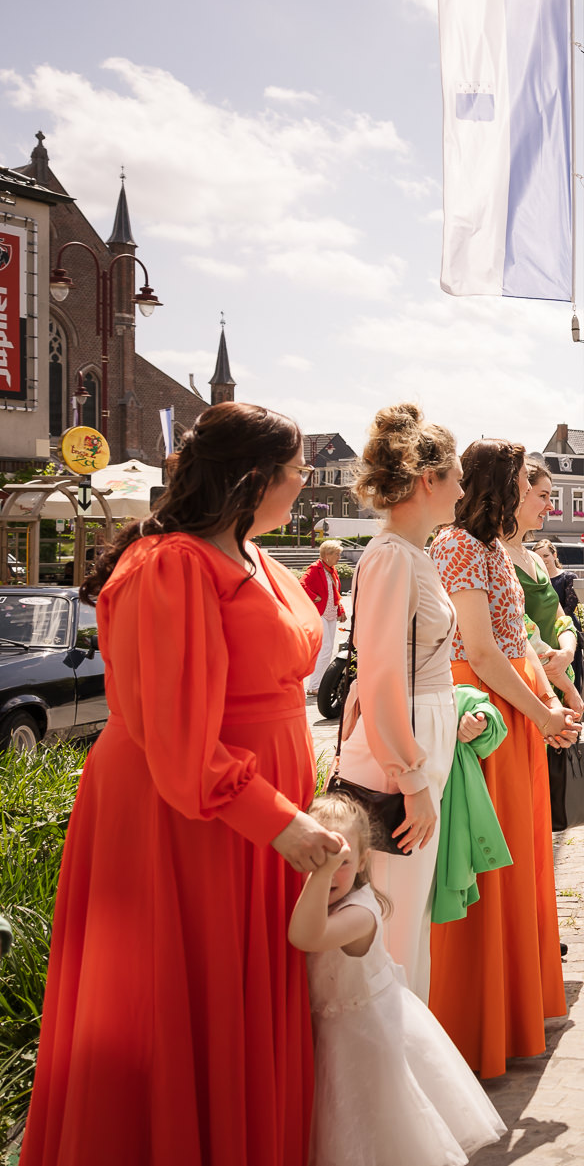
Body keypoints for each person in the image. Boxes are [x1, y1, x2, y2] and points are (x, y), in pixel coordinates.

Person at [23, 402, 344, 1166]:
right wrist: (279, 818)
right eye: (297, 471)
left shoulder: (257, 556)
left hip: (253, 812)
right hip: (189, 817)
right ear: (254, 476)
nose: (303, 484)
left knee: (245, 1005)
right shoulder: (167, 564)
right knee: (186, 1007)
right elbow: (178, 741)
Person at [428, 439, 575, 1078]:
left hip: (515, 702)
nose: (531, 491)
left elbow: (521, 643)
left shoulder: (490, 548)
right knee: (490, 857)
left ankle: (514, 1003)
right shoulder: (458, 545)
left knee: (523, 854)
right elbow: (483, 653)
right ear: (501, 484)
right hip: (485, 711)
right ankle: (476, 1013)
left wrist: (549, 701)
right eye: (523, 480)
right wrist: (542, 712)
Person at [292, 794, 506, 1166]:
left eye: (340, 862)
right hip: (334, 1032)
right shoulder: (320, 896)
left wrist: (320, 871)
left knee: (373, 1130)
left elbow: (305, 936)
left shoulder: (359, 913)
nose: (329, 871)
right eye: (317, 859)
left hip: (366, 1040)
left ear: (362, 860)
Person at [332, 403, 465, 1001]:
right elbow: (381, 675)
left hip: (415, 740)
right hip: (398, 752)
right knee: (390, 918)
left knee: (406, 916)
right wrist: (410, 777)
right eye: (456, 476)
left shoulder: (414, 555)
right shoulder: (390, 557)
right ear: (426, 480)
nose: (462, 489)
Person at [505, 469, 582, 720]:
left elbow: (562, 619)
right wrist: (563, 680)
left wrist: (567, 654)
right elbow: (522, 632)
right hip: (529, 684)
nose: (550, 506)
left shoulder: (536, 559)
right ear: (520, 494)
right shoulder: (497, 555)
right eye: (543, 495)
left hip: (557, 678)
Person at [533, 539, 583, 691]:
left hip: (564, 627)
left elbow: (570, 606)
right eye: (538, 557)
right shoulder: (534, 579)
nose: (543, 560)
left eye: (546, 555)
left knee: (569, 670)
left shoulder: (568, 577)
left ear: (554, 555)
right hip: (541, 629)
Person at [304, 539, 347, 696]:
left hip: (330, 613)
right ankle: (314, 685)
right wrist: (313, 596)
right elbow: (302, 584)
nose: (339, 557)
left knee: (327, 649)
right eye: (337, 554)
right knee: (326, 648)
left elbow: (335, 592)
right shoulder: (316, 568)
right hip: (320, 613)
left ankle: (318, 683)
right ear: (327, 555)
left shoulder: (331, 569)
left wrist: (340, 609)